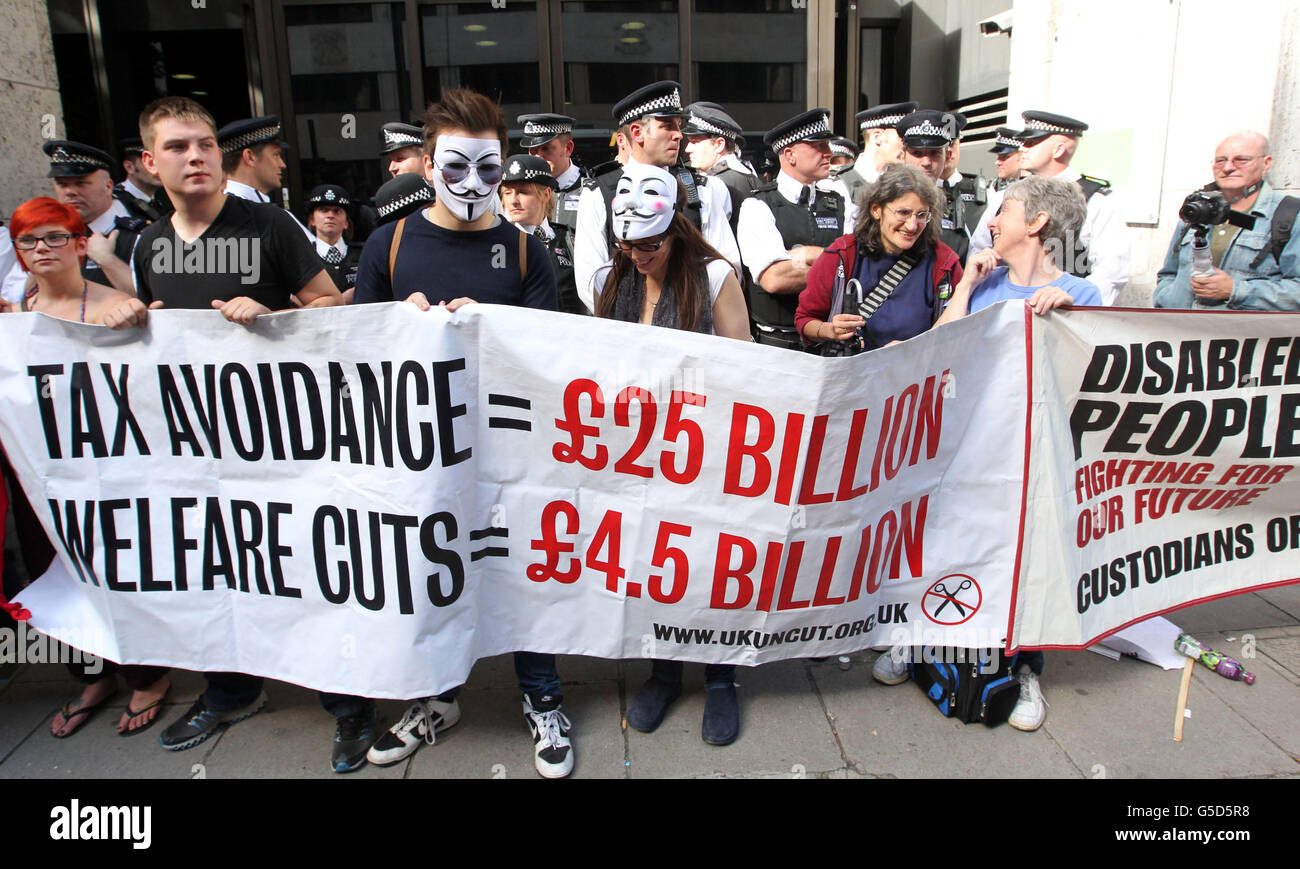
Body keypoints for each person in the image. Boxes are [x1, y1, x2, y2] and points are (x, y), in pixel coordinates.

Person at [353, 88, 572, 779]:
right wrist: (400, 329)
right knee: (434, 575)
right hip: (421, 458)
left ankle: (543, 697)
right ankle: (436, 696)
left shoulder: (527, 251)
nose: (475, 186)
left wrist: (495, 331)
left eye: (488, 168)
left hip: (510, 455)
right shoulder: (387, 246)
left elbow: (553, 358)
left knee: (521, 576)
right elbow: (355, 350)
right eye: (456, 167)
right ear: (425, 164)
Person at [131, 96, 344, 759]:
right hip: (198, 448)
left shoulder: (272, 226)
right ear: (148, 162)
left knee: (311, 565)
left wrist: (277, 312)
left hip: (286, 439)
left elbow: (338, 307)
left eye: (204, 145)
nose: (195, 156)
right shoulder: (150, 245)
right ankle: (230, 689)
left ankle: (348, 698)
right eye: (177, 147)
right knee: (216, 567)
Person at [930, 175, 1101, 731]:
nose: (992, 222)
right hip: (976, 447)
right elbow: (938, 348)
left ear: (1037, 223)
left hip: (1036, 459)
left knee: (1029, 559)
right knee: (964, 547)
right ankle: (934, 647)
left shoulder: (1085, 295)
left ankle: (1025, 667)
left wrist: (1072, 318)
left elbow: (1093, 386)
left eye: (1005, 210)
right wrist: (963, 288)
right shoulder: (983, 282)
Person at [599, 162, 750, 744]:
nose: (637, 254)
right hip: (639, 455)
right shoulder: (613, 280)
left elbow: (746, 364)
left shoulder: (713, 278)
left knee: (710, 566)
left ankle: (719, 678)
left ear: (675, 228)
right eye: (627, 244)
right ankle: (662, 670)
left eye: (649, 245)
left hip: (706, 450)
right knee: (653, 564)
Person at [0, 196, 163, 736]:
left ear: (78, 244)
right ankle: (93, 674)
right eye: (28, 240)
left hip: (106, 473)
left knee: (117, 568)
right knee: (55, 568)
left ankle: (146, 675)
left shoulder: (111, 305)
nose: (41, 249)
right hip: (39, 474)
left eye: (53, 236)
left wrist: (132, 315)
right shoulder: (13, 318)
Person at [574, 80, 741, 314]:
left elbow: (728, 267)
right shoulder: (598, 193)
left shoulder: (703, 188)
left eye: (679, 125)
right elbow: (591, 282)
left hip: (694, 327)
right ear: (637, 132)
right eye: (667, 126)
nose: (679, 135)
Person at [795, 163, 961, 356]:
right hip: (853, 377)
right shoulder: (843, 255)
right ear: (876, 210)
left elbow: (959, 332)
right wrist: (829, 330)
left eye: (922, 215)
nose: (912, 225)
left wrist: (915, 351)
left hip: (914, 379)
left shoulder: (944, 262)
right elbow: (805, 321)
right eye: (903, 213)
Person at [972, 111, 1130, 305]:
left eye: (1031, 143)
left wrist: (1076, 306)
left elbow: (1112, 270)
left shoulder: (1096, 201)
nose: (1022, 149)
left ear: (1058, 149)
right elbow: (978, 250)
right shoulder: (1003, 197)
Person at [737, 108, 852, 349]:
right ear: (789, 155)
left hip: (830, 342)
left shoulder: (839, 202)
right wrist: (834, 264)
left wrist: (809, 256)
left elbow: (857, 265)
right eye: (819, 147)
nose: (829, 153)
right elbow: (775, 278)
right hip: (780, 344)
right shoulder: (757, 206)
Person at [1154, 130, 1300, 311]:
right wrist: (1166, 298)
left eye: (1242, 160)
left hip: (1238, 336)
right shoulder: (1197, 210)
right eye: (1221, 160)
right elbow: (1168, 274)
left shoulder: (1290, 216)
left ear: (1266, 163)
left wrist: (1234, 290)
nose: (1228, 167)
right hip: (1180, 332)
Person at [42, 140, 138, 295]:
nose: (70, 192)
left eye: (80, 184)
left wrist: (107, 260)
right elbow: (21, 296)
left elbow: (153, 299)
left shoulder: (137, 235)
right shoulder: (52, 236)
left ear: (108, 186)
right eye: (62, 185)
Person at [500, 154, 583, 314]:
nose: (513, 201)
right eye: (507, 193)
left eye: (523, 192)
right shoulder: (499, 242)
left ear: (546, 194)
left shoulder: (569, 239)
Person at [895, 109, 969, 262]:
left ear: (947, 157)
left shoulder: (956, 208)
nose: (926, 162)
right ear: (902, 155)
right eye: (917, 153)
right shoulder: (883, 202)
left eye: (934, 153)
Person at [682, 101, 759, 237]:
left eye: (695, 142)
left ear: (719, 144)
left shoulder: (716, 183)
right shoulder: (749, 175)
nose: (688, 149)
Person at [837, 101, 918, 203]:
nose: (908, 146)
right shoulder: (840, 186)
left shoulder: (905, 182)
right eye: (902, 138)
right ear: (878, 138)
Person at [519, 113, 586, 237]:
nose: (538, 157)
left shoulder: (590, 190)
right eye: (532, 150)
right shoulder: (521, 191)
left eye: (545, 149)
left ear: (568, 148)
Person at [304, 184, 361, 299]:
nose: (330, 216)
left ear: (346, 223)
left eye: (337, 211)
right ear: (312, 220)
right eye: (323, 210)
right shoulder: (302, 257)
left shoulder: (363, 254)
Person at [115, 137, 168, 222]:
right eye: (149, 162)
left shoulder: (158, 203)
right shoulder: (116, 203)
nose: (157, 169)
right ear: (129, 167)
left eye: (161, 162)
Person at [988, 126, 1023, 191]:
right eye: (998, 156)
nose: (997, 162)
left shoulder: (1034, 189)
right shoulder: (992, 187)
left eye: (1005, 157)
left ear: (1022, 156)